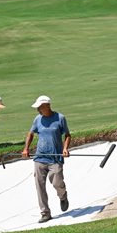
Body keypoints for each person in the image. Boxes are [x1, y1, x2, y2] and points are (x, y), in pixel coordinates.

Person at [22, 95, 71, 223]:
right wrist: (26, 149)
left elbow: (67, 135)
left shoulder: (60, 118)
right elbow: (30, 134)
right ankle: (45, 213)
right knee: (40, 186)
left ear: (47, 106)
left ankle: (63, 196)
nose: (37, 109)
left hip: (55, 158)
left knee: (57, 183)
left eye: (39, 107)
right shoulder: (38, 119)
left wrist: (65, 149)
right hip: (40, 157)